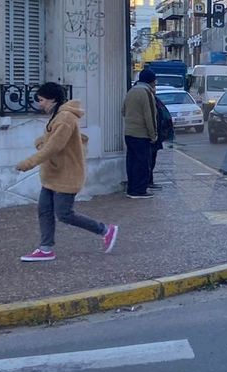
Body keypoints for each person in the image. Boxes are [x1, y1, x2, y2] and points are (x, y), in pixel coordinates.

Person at [17, 83, 119, 262]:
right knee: (44, 210)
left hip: (66, 174)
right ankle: (46, 249)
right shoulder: (58, 116)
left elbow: (55, 146)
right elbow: (55, 140)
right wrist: (41, 142)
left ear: (52, 99)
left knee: (64, 214)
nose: (40, 104)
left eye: (41, 100)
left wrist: (29, 163)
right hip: (53, 173)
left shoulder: (65, 118)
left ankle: (105, 230)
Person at [122, 69, 158, 199]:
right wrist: (153, 135)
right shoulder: (146, 93)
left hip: (129, 133)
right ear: (151, 81)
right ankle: (140, 190)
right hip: (141, 134)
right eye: (155, 80)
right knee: (143, 163)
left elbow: (123, 110)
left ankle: (131, 189)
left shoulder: (131, 91)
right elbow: (150, 116)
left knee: (131, 162)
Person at [149, 96, 175, 191]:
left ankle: (149, 180)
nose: (155, 88)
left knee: (151, 159)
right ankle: (147, 181)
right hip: (151, 135)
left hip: (156, 134)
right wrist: (153, 134)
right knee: (148, 160)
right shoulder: (149, 98)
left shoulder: (155, 99)